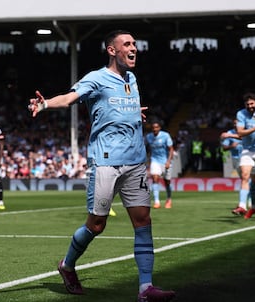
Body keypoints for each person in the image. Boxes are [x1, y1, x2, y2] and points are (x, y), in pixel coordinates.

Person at [28, 30, 175, 301]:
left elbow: (119, 107)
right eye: (127, 44)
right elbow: (71, 98)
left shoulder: (131, 79)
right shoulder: (96, 78)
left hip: (135, 161)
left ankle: (146, 288)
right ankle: (67, 264)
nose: (134, 48)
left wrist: (134, 113)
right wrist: (46, 103)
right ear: (112, 50)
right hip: (106, 160)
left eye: (134, 43)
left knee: (143, 221)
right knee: (96, 225)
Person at [145, 121, 174, 209]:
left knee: (167, 181)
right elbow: (147, 149)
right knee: (155, 178)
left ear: (159, 128)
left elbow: (171, 149)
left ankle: (169, 199)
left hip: (165, 161)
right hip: (155, 160)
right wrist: (147, 162)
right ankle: (157, 201)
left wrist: (168, 161)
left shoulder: (165, 135)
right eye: (153, 128)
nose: (155, 129)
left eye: (156, 127)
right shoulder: (148, 137)